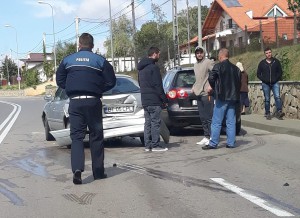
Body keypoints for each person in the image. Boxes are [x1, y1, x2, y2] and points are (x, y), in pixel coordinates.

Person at [56, 33, 116, 184]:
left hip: (75, 102)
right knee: (96, 136)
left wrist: (71, 88)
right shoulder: (100, 60)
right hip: (93, 102)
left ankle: (77, 170)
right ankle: (98, 172)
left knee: (76, 137)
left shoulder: (67, 60)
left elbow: (60, 80)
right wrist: (98, 88)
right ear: (92, 46)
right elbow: (111, 81)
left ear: (79, 44)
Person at [202, 48, 241, 150]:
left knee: (216, 121)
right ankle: (231, 143)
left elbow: (211, 78)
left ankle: (213, 143)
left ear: (220, 56)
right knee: (231, 121)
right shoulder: (236, 69)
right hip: (232, 98)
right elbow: (239, 82)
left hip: (222, 97)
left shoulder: (218, 66)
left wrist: (213, 88)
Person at [138, 47, 168, 152]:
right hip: (154, 100)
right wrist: (164, 99)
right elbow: (158, 85)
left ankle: (147, 145)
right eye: (158, 54)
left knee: (147, 123)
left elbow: (140, 84)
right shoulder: (153, 68)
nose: (159, 56)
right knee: (155, 122)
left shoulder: (140, 68)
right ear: (154, 54)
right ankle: (155, 145)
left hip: (145, 100)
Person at [192, 46, 214, 146]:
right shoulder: (195, 65)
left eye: (201, 52)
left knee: (209, 116)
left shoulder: (208, 62)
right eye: (197, 53)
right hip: (198, 94)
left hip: (207, 94)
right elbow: (198, 79)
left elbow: (215, 73)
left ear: (203, 53)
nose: (199, 54)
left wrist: (210, 85)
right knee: (202, 117)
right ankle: (206, 136)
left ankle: (212, 136)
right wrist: (194, 86)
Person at [257, 47, 284, 120]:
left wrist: (276, 79)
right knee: (267, 99)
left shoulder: (276, 62)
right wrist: (264, 80)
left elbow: (280, 72)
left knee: (277, 97)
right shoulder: (262, 63)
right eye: (267, 53)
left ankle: (279, 112)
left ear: (271, 53)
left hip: (275, 83)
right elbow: (258, 74)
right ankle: (267, 113)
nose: (268, 54)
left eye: (269, 52)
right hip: (266, 84)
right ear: (265, 54)